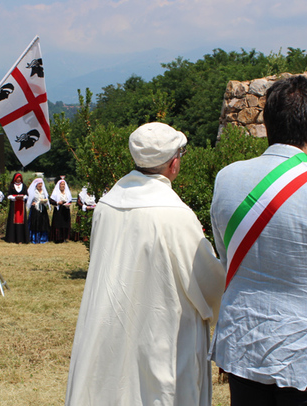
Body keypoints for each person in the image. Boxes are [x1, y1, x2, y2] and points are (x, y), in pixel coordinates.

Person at [209, 75, 307, 406]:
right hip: (306, 354)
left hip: (244, 343)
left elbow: (227, 258)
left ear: (268, 124)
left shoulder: (226, 180)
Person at [65, 122, 225, 406]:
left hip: (110, 327)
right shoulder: (176, 214)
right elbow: (208, 283)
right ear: (174, 162)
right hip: (163, 334)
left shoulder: (107, 205)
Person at [4, 172, 29, 243]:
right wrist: (15, 197)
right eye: (17, 178)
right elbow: (8, 195)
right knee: (13, 220)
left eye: (20, 178)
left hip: (21, 205)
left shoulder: (23, 185)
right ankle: (12, 238)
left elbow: (27, 194)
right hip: (14, 205)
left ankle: (22, 239)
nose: (19, 179)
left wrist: (23, 197)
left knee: (22, 220)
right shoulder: (12, 185)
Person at [26, 178, 51, 244]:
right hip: (35, 209)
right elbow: (28, 200)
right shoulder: (33, 192)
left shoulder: (44, 191)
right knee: (35, 223)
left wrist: (45, 201)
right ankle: (35, 239)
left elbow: (46, 199)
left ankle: (43, 239)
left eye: (41, 184)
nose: (40, 185)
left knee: (43, 223)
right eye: (38, 184)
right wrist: (32, 203)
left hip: (42, 209)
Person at [49, 178, 72, 243]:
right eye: (61, 184)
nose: (63, 186)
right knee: (58, 224)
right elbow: (51, 201)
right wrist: (57, 203)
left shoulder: (67, 193)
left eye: (64, 184)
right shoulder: (56, 192)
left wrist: (68, 203)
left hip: (65, 210)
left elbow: (70, 200)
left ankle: (65, 238)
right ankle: (58, 238)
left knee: (65, 224)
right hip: (58, 210)